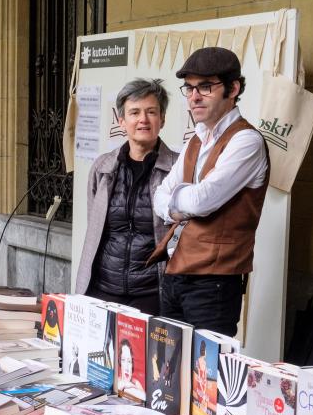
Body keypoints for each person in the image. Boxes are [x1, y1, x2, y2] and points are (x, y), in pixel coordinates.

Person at [150, 47, 269, 336]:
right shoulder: (196, 140)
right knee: (168, 373)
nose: (194, 96)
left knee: (206, 377)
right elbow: (158, 196)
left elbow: (203, 202)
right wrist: (180, 201)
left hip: (214, 283)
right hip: (175, 273)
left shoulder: (247, 141)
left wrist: (177, 200)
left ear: (233, 88)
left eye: (206, 86)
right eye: (189, 88)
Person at [75, 78, 178, 315]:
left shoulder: (177, 170)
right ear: (122, 121)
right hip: (103, 288)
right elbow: (95, 227)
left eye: (151, 112)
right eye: (134, 112)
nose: (143, 119)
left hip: (151, 293)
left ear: (162, 119)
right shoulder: (103, 168)